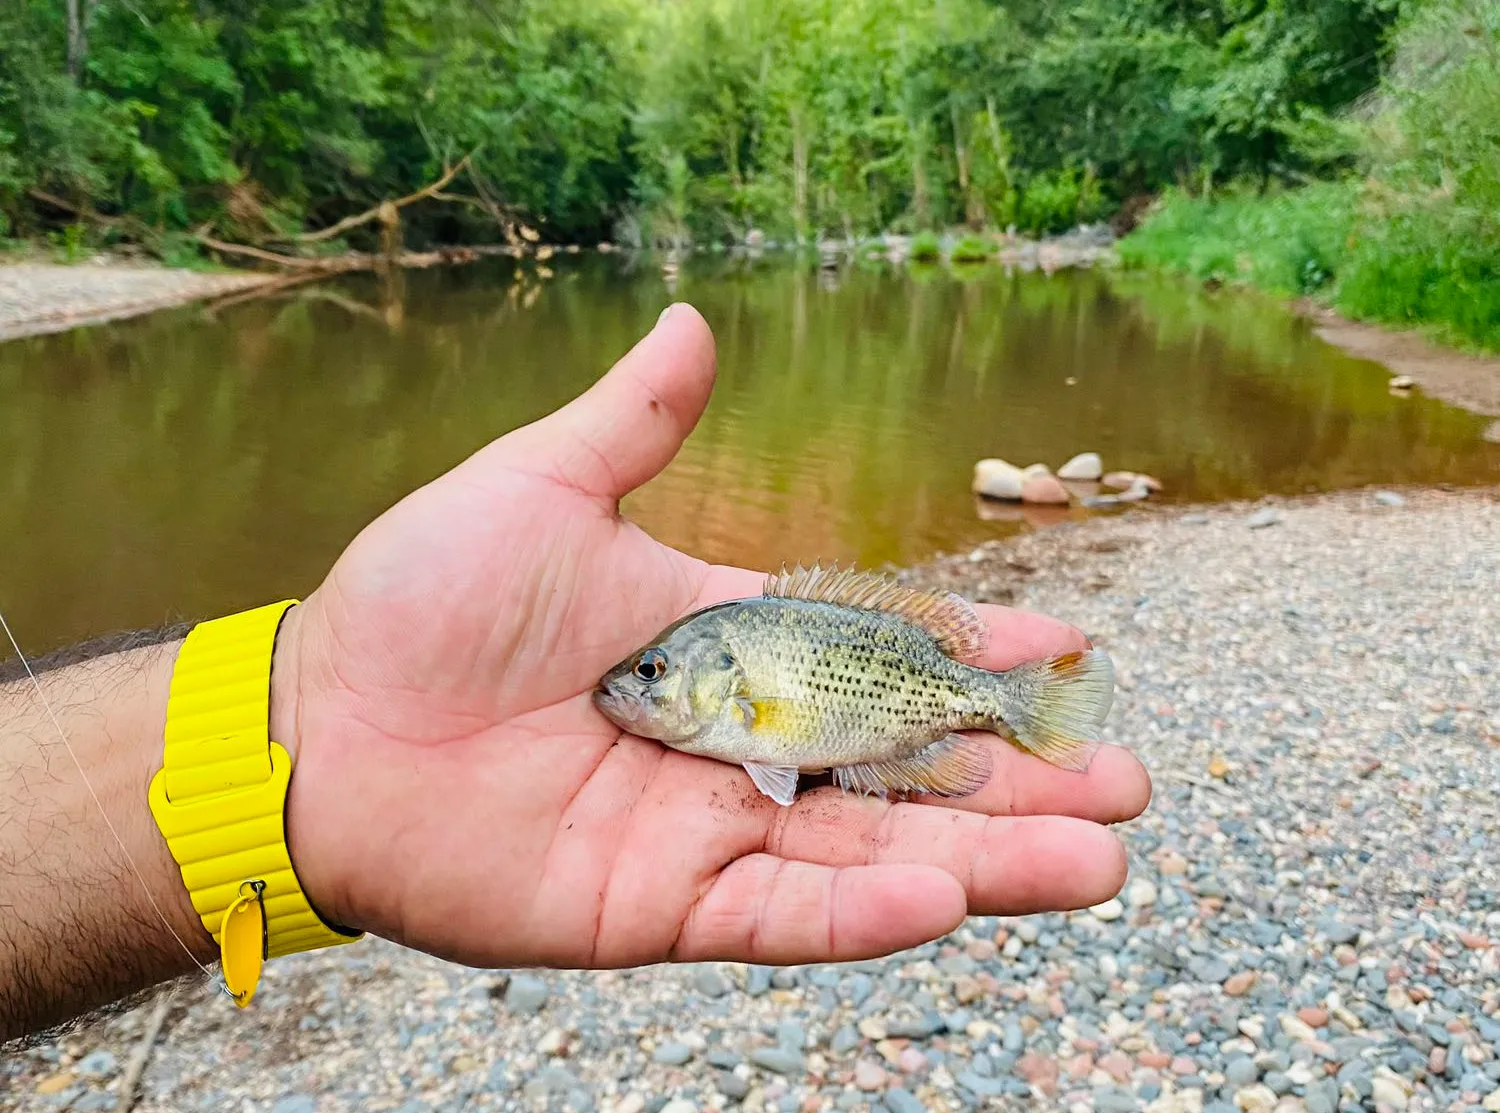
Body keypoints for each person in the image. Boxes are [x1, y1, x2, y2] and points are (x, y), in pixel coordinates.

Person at [0, 305, 1150, 1044]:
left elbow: (784, 739)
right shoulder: (728, 693)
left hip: (918, 703)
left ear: (712, 688)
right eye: (650, 675)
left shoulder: (749, 695)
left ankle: (1021, 709)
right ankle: (1024, 710)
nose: (636, 691)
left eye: (652, 676)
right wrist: (311, 701)